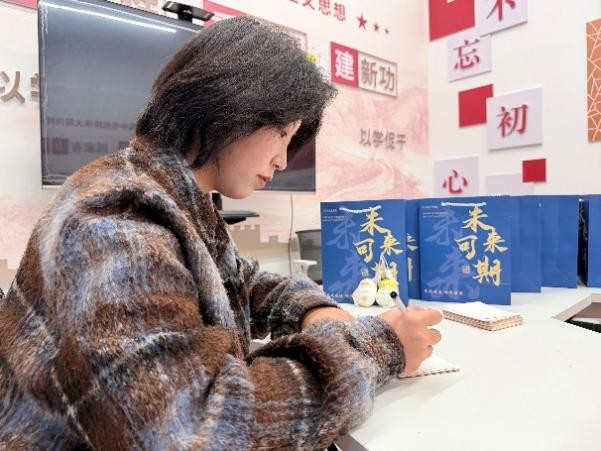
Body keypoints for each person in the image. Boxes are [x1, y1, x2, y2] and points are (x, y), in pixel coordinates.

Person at [0, 16, 442, 450]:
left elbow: (245, 283)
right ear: (230, 104)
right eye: (282, 133)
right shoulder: (118, 221)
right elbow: (191, 427)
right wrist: (378, 348)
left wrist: (313, 310)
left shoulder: (173, 198)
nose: (283, 160)